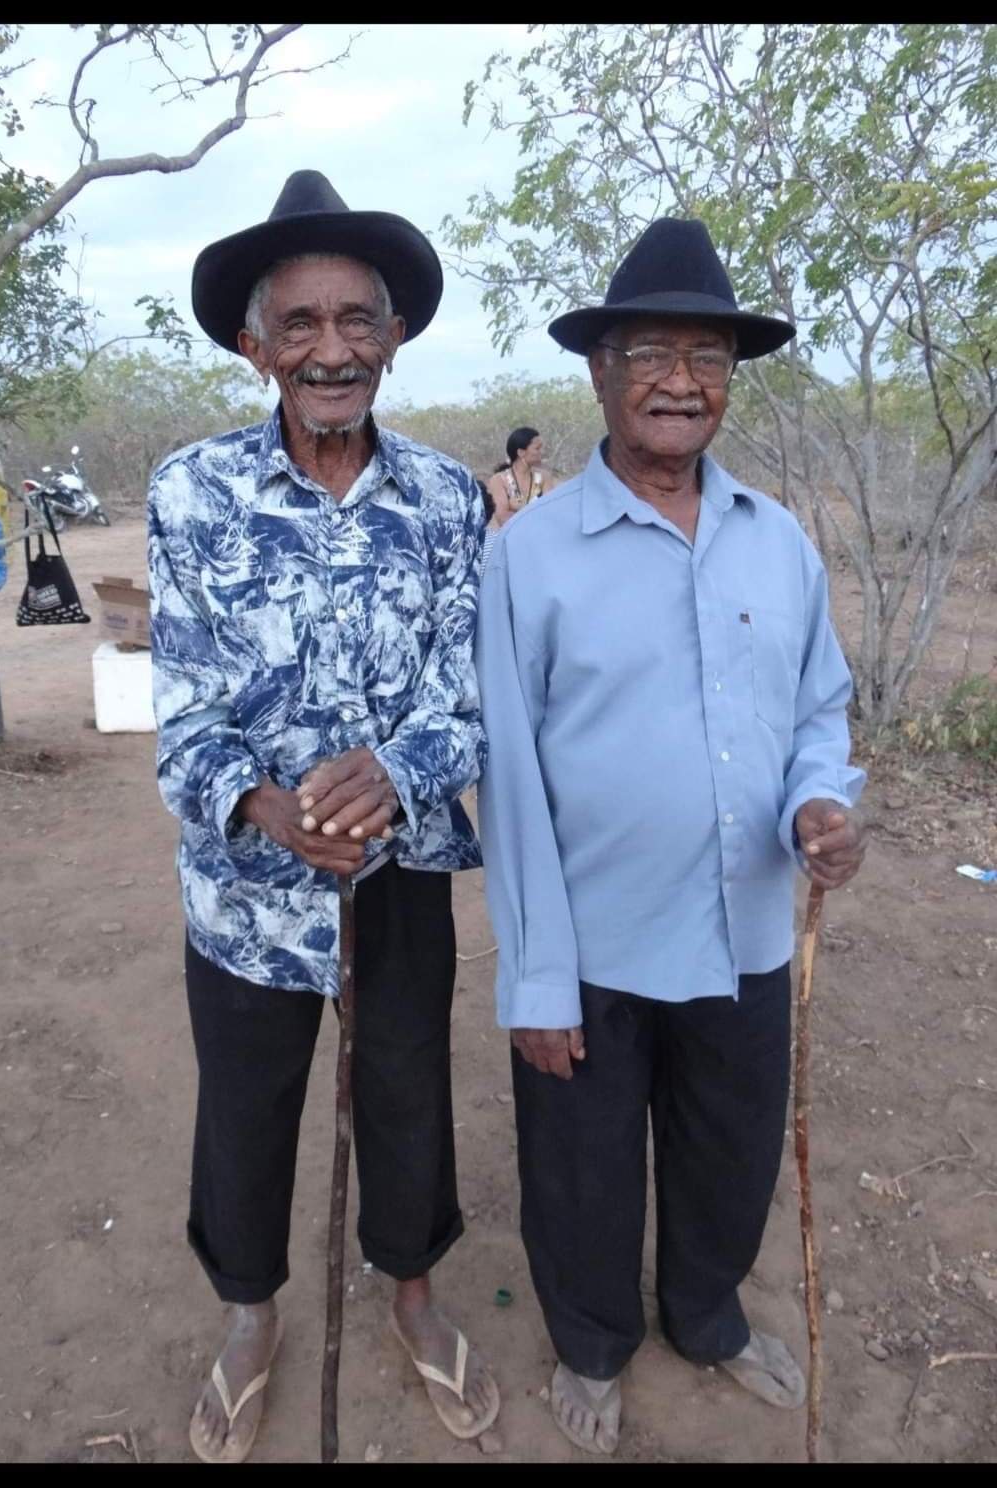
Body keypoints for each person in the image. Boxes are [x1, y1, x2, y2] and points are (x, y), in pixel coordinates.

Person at [474, 218, 867, 1455]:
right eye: (652, 351)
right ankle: (592, 1345)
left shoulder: (778, 538)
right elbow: (512, 783)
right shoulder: (531, 555)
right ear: (601, 373)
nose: (681, 381)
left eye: (707, 356)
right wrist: (534, 974)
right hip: (594, 943)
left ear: (732, 379)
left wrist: (821, 797)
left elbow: (819, 705)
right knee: (582, 1169)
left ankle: (707, 1318)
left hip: (746, 930)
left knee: (730, 1150)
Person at [148, 169, 499, 1464]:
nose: (331, 348)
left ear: (395, 335)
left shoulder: (449, 500)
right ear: (255, 346)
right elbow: (181, 707)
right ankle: (250, 1317)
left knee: (406, 1091)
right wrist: (261, 802)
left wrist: (399, 773)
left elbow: (471, 696)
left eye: (357, 319)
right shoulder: (190, 494)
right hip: (246, 893)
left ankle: (410, 1294)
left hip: (396, 879)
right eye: (299, 324)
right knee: (246, 1106)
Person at [487, 427, 557, 526]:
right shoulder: (499, 480)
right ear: (521, 452)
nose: (542, 452)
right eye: (537, 448)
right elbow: (502, 518)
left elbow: (551, 510)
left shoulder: (544, 477)